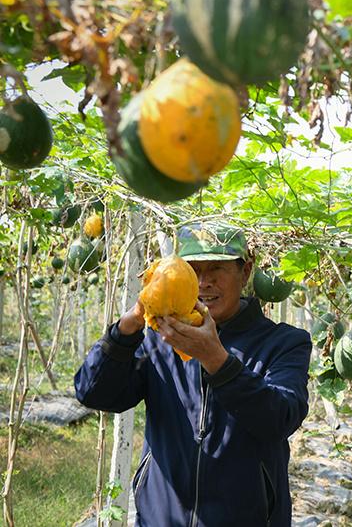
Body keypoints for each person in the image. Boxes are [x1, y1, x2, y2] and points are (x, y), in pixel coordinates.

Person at [74, 224, 312, 527]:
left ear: (246, 271)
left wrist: (216, 359)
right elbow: (92, 393)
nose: (203, 282)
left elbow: (281, 417)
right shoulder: (159, 339)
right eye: (193, 269)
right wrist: (128, 327)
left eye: (217, 268)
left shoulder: (284, 342)